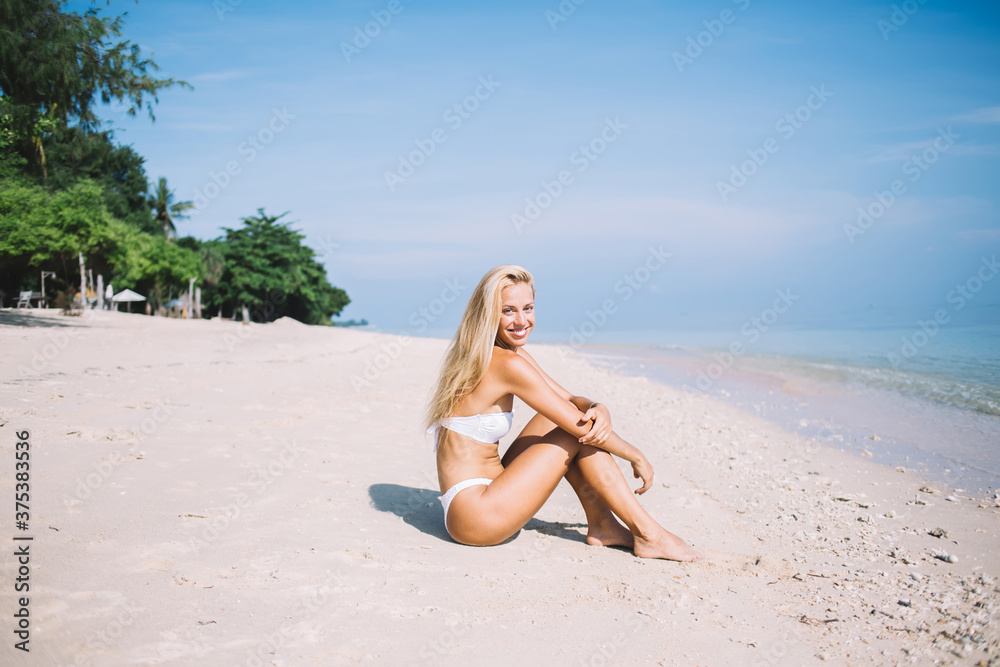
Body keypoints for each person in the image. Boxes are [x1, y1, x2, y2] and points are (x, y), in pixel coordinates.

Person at [425, 265, 701, 561]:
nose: (522, 321)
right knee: (573, 431)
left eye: (528, 308)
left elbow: (570, 399)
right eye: (508, 311)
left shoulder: (498, 353)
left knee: (558, 418)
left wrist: (599, 407)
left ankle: (603, 525)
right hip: (476, 516)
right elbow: (579, 426)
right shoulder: (506, 364)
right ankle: (648, 534)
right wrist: (634, 454)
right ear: (488, 313)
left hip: (485, 493)